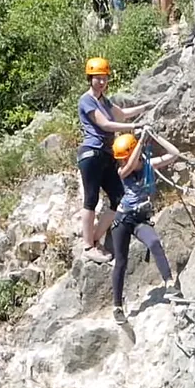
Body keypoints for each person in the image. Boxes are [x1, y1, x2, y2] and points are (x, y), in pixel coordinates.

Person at [77, 58, 153, 264]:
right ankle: (87, 246)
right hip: (91, 154)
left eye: (104, 78)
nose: (101, 82)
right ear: (90, 79)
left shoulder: (104, 100)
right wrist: (134, 129)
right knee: (91, 199)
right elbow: (107, 124)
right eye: (97, 79)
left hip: (105, 155)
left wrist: (146, 107)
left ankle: (94, 239)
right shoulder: (87, 100)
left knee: (118, 195)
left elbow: (122, 114)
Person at [109, 132, 183, 323]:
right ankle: (117, 306)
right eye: (122, 159)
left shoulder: (149, 164)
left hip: (140, 219)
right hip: (123, 220)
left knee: (155, 242)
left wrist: (155, 136)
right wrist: (141, 141)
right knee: (121, 261)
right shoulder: (122, 172)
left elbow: (174, 153)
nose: (123, 161)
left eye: (125, 157)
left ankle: (169, 283)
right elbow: (132, 165)